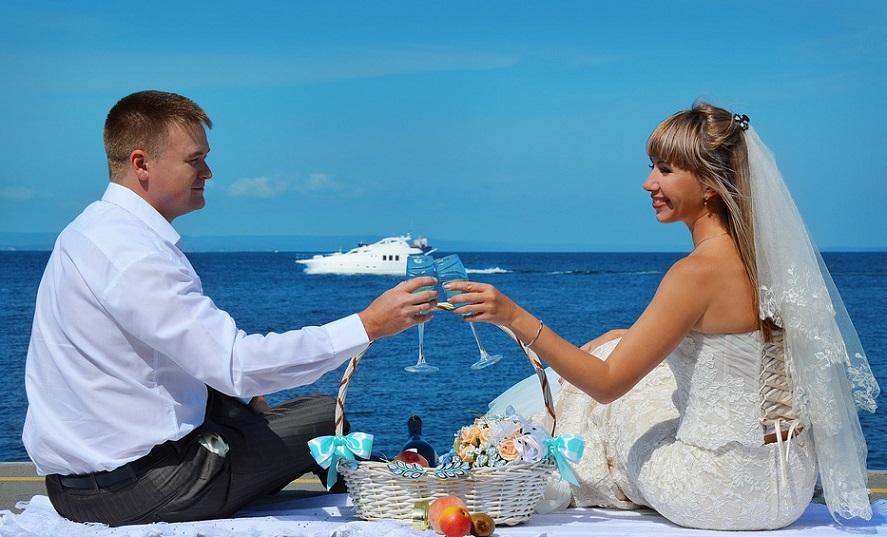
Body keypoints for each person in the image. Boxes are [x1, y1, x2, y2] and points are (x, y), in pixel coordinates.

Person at [445, 102, 880, 530]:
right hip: (790, 488)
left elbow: (607, 384)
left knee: (604, 413)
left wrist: (513, 316)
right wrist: (627, 335)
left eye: (665, 170)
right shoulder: (771, 261)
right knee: (629, 356)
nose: (648, 182)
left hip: (714, 492)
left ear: (710, 184)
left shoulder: (694, 273)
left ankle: (526, 465)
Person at [21, 90, 439, 527]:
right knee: (321, 418)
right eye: (194, 160)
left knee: (237, 397)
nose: (208, 171)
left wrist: (238, 399)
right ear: (141, 164)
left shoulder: (86, 232)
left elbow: (183, 360)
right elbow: (236, 363)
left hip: (74, 489)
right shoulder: (136, 254)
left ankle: (377, 488)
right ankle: (395, 506)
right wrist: (369, 324)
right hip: (139, 489)